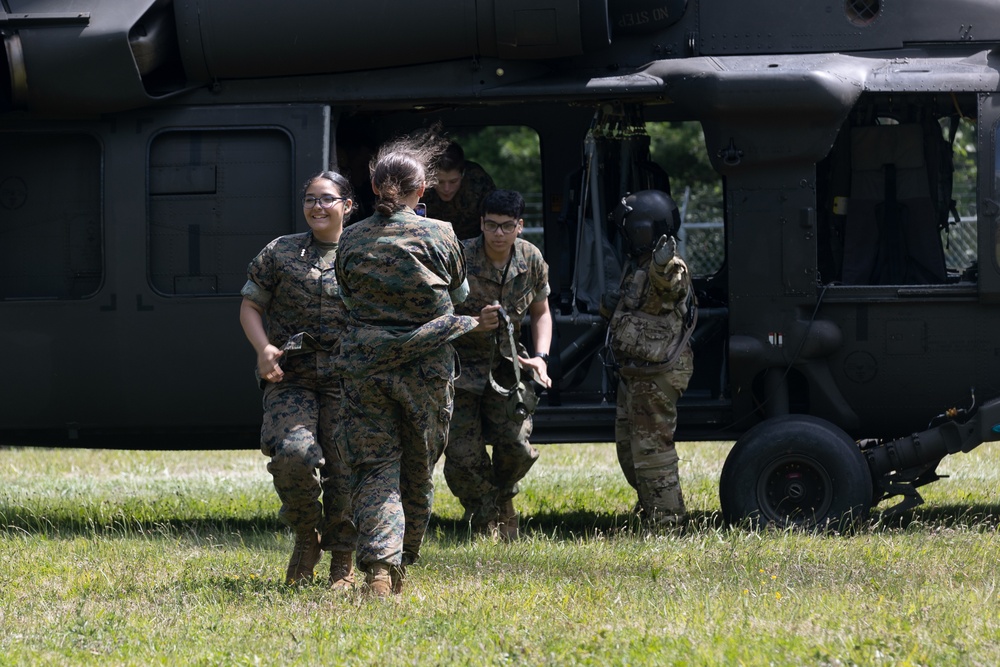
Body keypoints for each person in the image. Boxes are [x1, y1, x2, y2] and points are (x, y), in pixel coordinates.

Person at [334, 131, 500, 598]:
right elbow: (460, 297)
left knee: (375, 467)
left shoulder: (350, 240)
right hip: (426, 371)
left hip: (366, 371)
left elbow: (346, 299)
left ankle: (380, 569)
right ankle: (403, 558)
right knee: (418, 466)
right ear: (421, 190)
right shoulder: (441, 235)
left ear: (374, 189)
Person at [239, 170, 357, 587]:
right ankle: (306, 536)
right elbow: (251, 306)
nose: (316, 207)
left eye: (326, 199)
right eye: (310, 199)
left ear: (347, 205)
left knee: (345, 469)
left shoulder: (366, 252)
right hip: (292, 376)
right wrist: (263, 349)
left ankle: (342, 558)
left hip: (349, 379)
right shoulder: (282, 251)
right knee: (292, 455)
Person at [444, 189, 553, 539]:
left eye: (507, 226)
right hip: (460, 367)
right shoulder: (460, 256)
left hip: (508, 365)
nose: (499, 233)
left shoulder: (530, 259)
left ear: (520, 226)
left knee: (517, 445)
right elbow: (437, 312)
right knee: (462, 455)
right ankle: (484, 513)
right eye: (491, 225)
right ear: (481, 223)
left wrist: (540, 357)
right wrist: (474, 322)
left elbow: (542, 313)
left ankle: (503, 496)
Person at [605, 190, 696, 527]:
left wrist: (661, 265)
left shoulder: (669, 266)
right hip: (637, 371)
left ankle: (668, 523)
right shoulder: (639, 267)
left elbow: (671, 286)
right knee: (631, 452)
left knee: (652, 453)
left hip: (658, 372)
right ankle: (652, 508)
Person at [422, 141, 496, 240]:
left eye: (453, 181)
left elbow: (494, 220)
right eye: (440, 182)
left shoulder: (478, 181)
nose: (446, 189)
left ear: (463, 174)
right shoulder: (421, 185)